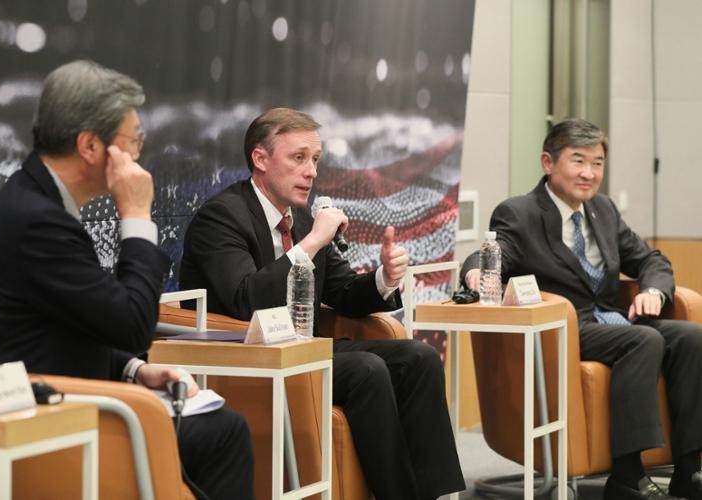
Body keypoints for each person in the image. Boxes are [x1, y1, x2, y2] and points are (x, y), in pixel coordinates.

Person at [0, 60, 254, 500]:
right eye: (132, 140)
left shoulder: (36, 203)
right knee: (225, 433)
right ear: (91, 145)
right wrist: (136, 215)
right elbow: (132, 324)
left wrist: (134, 368)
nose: (138, 153)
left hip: (70, 395)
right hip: (46, 420)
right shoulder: (36, 221)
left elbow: (76, 322)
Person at [179, 107, 465, 500]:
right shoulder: (221, 218)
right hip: (248, 355)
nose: (311, 171)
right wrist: (311, 242)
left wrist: (385, 277)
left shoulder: (298, 217)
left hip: (304, 350)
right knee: (367, 369)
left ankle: (436, 494)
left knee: (419, 358)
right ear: (260, 159)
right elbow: (246, 299)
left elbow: (343, 293)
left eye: (315, 159)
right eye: (298, 158)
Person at [462, 118, 702, 500]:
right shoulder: (519, 212)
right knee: (641, 341)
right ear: (548, 162)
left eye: (598, 163)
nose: (589, 174)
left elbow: (650, 259)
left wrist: (654, 291)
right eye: (578, 161)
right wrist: (477, 274)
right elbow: (493, 253)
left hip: (612, 322)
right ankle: (627, 476)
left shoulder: (603, 211)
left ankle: (690, 469)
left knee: (690, 337)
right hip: (564, 328)